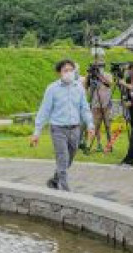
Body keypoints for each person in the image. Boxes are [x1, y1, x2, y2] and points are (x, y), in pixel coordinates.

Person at [31, 59, 96, 191]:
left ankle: (55, 180)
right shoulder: (52, 89)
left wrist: (90, 125)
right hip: (58, 129)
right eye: (65, 70)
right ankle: (65, 190)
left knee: (69, 159)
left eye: (71, 70)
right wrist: (36, 132)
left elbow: (84, 108)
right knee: (62, 158)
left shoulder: (79, 88)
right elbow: (44, 110)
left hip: (75, 129)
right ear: (60, 73)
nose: (68, 73)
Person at [84, 61, 115, 153]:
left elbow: (109, 83)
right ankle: (98, 144)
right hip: (95, 104)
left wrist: (99, 76)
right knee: (95, 126)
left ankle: (110, 145)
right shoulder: (91, 76)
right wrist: (89, 77)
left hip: (106, 105)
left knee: (108, 125)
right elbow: (85, 87)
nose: (99, 68)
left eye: (100, 66)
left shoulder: (107, 75)